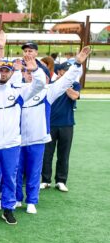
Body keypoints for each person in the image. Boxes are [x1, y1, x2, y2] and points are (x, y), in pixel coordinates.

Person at [15, 48, 88, 214]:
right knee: (17, 171)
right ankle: (17, 198)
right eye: (27, 72)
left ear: (45, 77)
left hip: (37, 139)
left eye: (33, 72)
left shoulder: (48, 91)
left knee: (34, 172)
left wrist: (77, 63)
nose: (30, 75)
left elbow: (66, 80)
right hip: (17, 140)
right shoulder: (17, 89)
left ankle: (31, 201)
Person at [0, 55, 45, 225]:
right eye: (0, 71)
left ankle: (8, 208)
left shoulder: (18, 91)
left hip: (11, 144)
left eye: (6, 71)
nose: (3, 73)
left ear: (11, 73)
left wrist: (35, 70)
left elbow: (39, 85)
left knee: (10, 177)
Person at [41, 62, 82, 192]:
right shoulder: (51, 85)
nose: (68, 73)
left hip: (67, 124)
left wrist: (64, 85)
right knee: (47, 154)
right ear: (59, 72)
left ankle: (61, 181)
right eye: (65, 70)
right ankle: (45, 180)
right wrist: (59, 84)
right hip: (50, 124)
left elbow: (75, 96)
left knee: (63, 154)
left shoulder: (75, 84)